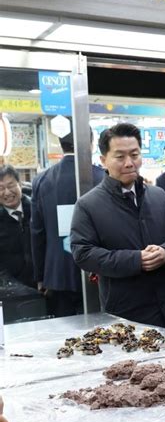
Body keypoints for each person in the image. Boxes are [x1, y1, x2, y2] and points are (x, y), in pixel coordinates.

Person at [70, 123, 165, 332]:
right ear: (103, 160)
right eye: (120, 157)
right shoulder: (88, 205)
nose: (129, 163)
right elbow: (83, 253)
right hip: (128, 315)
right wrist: (136, 260)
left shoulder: (158, 195)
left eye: (134, 155)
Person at [30, 126, 104, 317]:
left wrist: (40, 277)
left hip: (57, 274)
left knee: (65, 336)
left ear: (60, 144)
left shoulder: (41, 180)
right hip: (99, 272)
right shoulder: (103, 178)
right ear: (91, 143)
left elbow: (37, 232)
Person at [0, 165, 34, 287]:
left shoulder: (36, 210)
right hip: (11, 290)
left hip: (43, 285)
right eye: (1, 188)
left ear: (19, 184)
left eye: (11, 185)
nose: (7, 192)